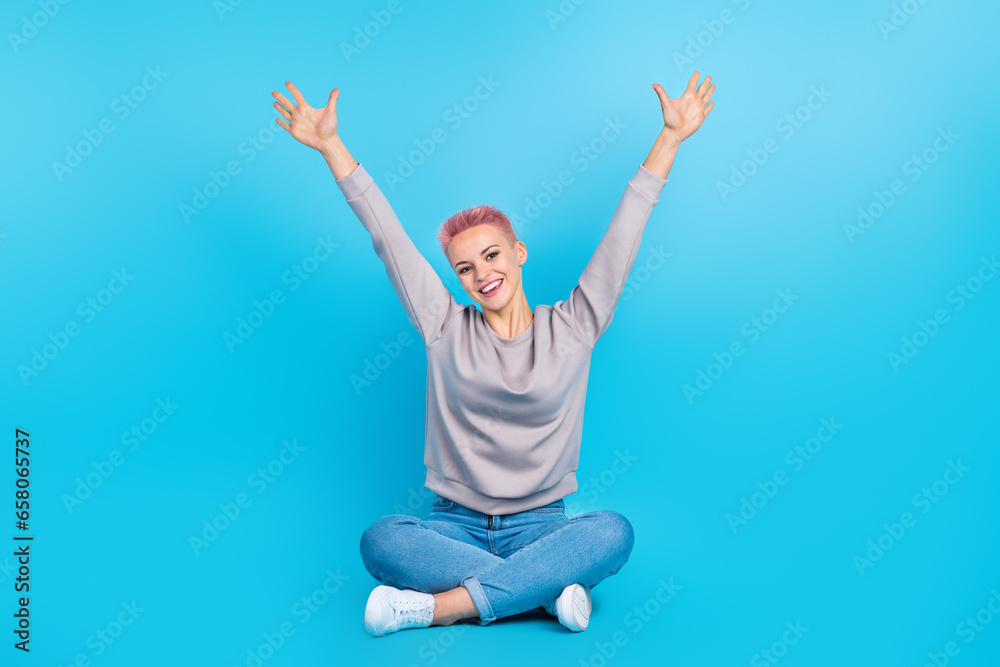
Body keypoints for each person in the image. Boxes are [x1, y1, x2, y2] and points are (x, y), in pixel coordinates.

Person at [272, 71, 714, 637]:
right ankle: (544, 592)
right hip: (451, 528)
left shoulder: (575, 326)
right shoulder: (442, 327)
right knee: (381, 540)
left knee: (611, 531)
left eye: (492, 254)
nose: (483, 273)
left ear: (519, 252)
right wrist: (332, 146)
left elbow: (623, 238)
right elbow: (387, 238)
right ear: (456, 280)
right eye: (465, 267)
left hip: (543, 526)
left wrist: (670, 140)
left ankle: (438, 608)